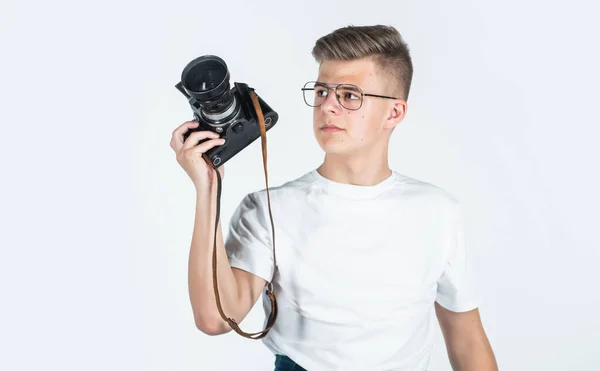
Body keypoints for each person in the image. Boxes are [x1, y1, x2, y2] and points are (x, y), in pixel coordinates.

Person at [170, 24, 498, 371]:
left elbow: (468, 341)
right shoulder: (269, 210)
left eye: (350, 95)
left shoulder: (439, 213)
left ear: (395, 112)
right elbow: (216, 318)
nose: (328, 106)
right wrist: (208, 189)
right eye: (323, 91)